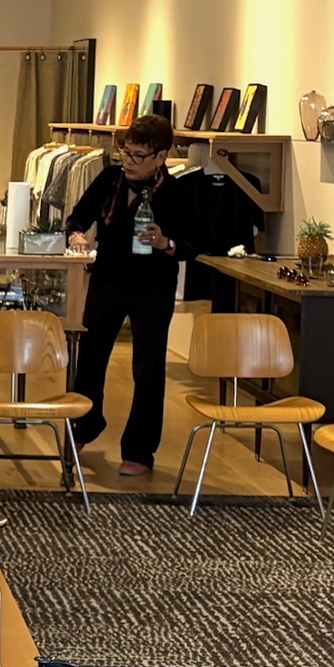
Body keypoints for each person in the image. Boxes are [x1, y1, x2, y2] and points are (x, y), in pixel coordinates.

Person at [64, 112, 211, 476]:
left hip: (153, 288)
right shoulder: (110, 179)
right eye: (126, 152)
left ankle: (140, 451)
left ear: (161, 157)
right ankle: (84, 425)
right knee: (91, 356)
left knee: (148, 368)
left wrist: (166, 243)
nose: (128, 161)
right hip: (107, 280)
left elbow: (193, 244)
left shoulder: (177, 192)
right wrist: (77, 236)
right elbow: (77, 217)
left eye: (138, 156)